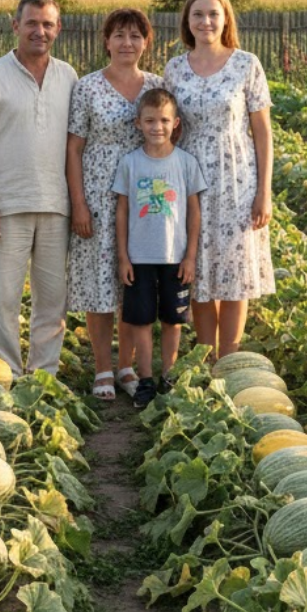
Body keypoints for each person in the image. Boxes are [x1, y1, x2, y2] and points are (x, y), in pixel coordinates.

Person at [0, 0, 76, 377]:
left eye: (47, 24)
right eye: (32, 23)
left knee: (53, 301)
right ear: (16, 26)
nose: (39, 31)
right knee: (5, 300)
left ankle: (43, 375)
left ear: (58, 29)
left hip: (56, 206)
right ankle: (7, 374)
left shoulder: (68, 77)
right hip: (6, 207)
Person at [163, 0, 274, 358]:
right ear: (187, 21)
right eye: (198, 14)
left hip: (237, 180)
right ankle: (204, 356)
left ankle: (229, 358)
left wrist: (264, 192)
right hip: (190, 180)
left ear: (226, 19)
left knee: (234, 273)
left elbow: (262, 132)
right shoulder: (175, 69)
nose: (205, 21)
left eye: (213, 14)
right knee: (197, 268)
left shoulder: (246, 64)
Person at [65, 8, 165, 400]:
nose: (127, 43)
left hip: (144, 197)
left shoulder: (157, 86)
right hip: (99, 195)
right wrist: (79, 204)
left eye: (135, 36)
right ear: (106, 41)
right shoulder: (87, 87)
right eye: (119, 35)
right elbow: (74, 149)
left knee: (135, 285)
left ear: (146, 43)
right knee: (99, 283)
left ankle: (127, 366)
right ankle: (102, 369)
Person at [113, 88, 206, 408]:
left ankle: (169, 375)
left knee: (172, 319)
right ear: (138, 123)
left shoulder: (186, 163)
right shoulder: (130, 163)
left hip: (175, 257)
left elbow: (194, 212)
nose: (157, 127)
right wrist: (123, 257)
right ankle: (146, 381)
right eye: (150, 120)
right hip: (139, 258)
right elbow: (122, 211)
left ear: (175, 123)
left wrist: (190, 256)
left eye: (164, 120)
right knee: (140, 320)